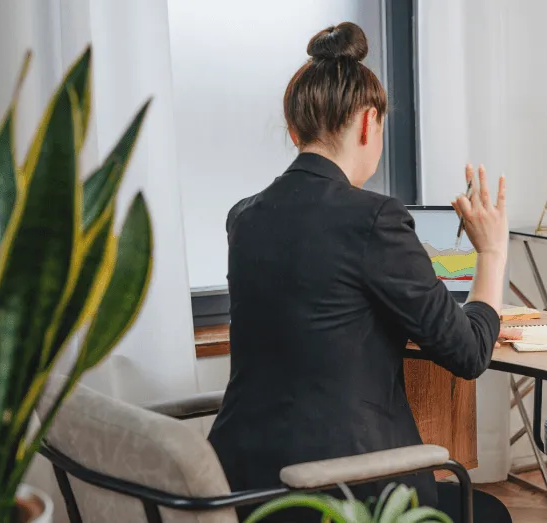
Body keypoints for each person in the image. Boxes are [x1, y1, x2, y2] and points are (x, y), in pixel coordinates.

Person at [207, 22, 512, 522]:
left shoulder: (244, 216)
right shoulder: (373, 217)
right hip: (341, 492)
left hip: (243, 483)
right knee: (490, 513)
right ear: (369, 122)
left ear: (294, 131)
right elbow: (470, 352)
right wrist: (492, 252)